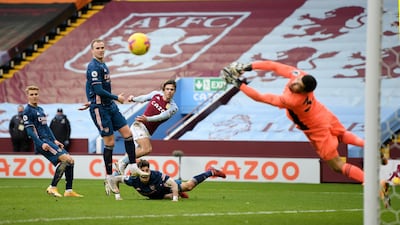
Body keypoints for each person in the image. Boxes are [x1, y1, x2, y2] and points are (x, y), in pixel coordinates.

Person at [221, 60, 365, 183]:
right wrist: (247, 67)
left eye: (298, 86)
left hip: (316, 128)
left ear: (303, 92)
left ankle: (369, 182)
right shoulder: (299, 75)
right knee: (341, 135)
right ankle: (371, 145)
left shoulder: (292, 101)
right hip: (323, 114)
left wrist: (238, 83)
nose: (294, 82)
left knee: (337, 166)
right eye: (297, 81)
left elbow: (261, 97)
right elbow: (273, 66)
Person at [85, 39, 147, 187]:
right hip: (101, 109)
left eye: (102, 47)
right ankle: (109, 177)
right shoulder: (93, 66)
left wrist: (90, 99)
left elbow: (89, 86)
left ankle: (132, 165)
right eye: (97, 48)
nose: (101, 50)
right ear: (92, 50)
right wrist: (115, 98)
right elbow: (98, 90)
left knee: (128, 134)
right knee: (110, 143)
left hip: (110, 106)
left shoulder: (103, 65)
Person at [23, 85, 83, 197]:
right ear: (27, 96)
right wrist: (41, 143)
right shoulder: (27, 111)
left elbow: (46, 128)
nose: (34, 96)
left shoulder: (40, 109)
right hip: (42, 142)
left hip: (49, 141)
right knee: (65, 160)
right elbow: (30, 132)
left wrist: (54, 140)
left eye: (36, 94)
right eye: (31, 94)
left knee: (71, 161)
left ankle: (68, 191)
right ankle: (52, 187)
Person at [116, 79, 178, 175]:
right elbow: (144, 98)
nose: (169, 91)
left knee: (132, 156)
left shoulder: (173, 107)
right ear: (163, 89)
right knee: (147, 149)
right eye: (167, 89)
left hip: (147, 131)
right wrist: (133, 99)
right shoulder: (156, 95)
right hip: (139, 125)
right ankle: (122, 162)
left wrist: (147, 119)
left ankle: (115, 176)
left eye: (172, 89)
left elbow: (161, 117)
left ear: (174, 91)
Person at [106, 159, 226, 201]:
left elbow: (172, 183)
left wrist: (174, 198)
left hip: (166, 187)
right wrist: (117, 195)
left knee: (188, 186)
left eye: (147, 170)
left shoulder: (157, 175)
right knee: (167, 197)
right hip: (157, 196)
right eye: (143, 171)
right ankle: (177, 194)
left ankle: (211, 171)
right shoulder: (132, 180)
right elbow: (115, 180)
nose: (145, 173)